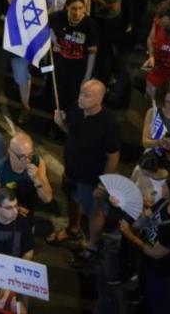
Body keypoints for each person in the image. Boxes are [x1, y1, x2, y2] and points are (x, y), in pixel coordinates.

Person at [51, 80, 121, 264]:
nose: (81, 97)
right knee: (72, 201)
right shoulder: (75, 108)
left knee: (94, 212)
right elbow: (71, 131)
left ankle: (91, 245)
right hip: (71, 171)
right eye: (81, 92)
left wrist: (103, 184)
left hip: (90, 179)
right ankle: (73, 229)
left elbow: (113, 156)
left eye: (87, 95)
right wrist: (61, 124)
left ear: (99, 99)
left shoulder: (108, 124)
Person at [118, 173, 170, 314]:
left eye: (165, 186)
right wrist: (139, 205)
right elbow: (151, 212)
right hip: (149, 261)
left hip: (164, 270)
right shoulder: (167, 201)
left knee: (159, 302)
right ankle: (142, 297)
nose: (162, 186)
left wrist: (129, 234)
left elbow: (154, 253)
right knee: (146, 284)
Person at [0, 133, 53, 216]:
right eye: (21, 156)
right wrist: (13, 209)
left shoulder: (37, 162)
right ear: (10, 152)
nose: (27, 160)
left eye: (29, 155)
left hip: (30, 207)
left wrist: (38, 179)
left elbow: (47, 198)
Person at [50, 0, 98, 110]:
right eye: (73, 8)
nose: (77, 12)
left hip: (78, 68)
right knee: (57, 94)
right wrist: (54, 40)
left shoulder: (90, 24)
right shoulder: (59, 17)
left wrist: (87, 77)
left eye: (81, 8)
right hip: (60, 64)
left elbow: (92, 53)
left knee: (72, 97)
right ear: (67, 7)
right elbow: (46, 25)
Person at [141, 81, 170, 171]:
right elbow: (145, 143)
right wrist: (160, 142)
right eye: (168, 102)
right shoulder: (152, 113)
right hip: (157, 158)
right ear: (162, 99)